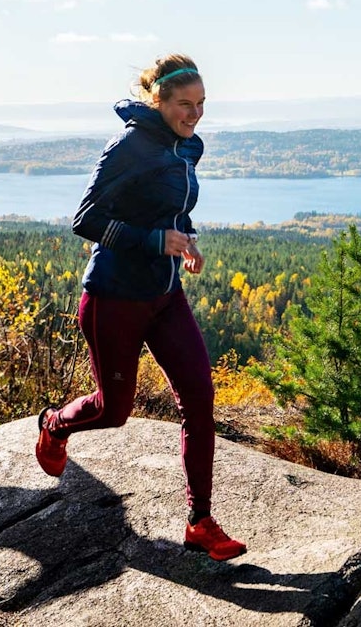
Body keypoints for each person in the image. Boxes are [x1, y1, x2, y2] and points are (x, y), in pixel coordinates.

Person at [35, 54, 246, 561]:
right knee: (114, 411)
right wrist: (157, 241)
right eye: (183, 105)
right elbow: (84, 219)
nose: (194, 115)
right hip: (114, 298)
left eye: (201, 105)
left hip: (165, 295)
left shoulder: (186, 145)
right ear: (158, 100)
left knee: (199, 397)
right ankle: (54, 424)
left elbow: (166, 211)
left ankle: (200, 521)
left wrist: (184, 239)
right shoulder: (129, 145)